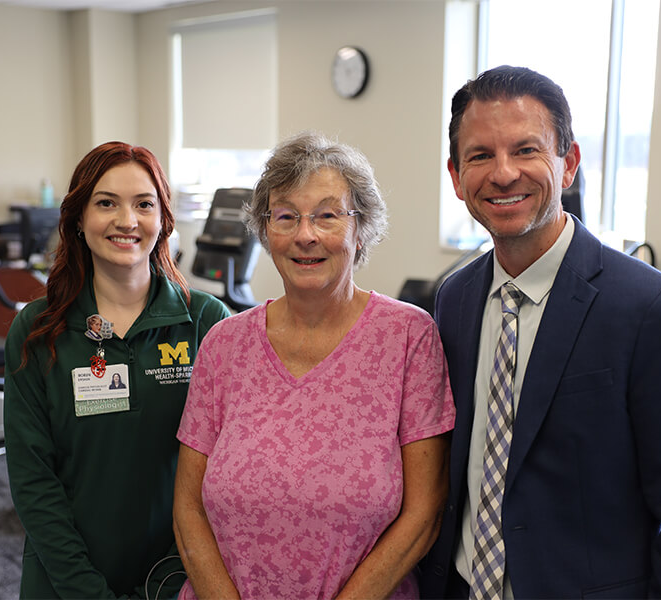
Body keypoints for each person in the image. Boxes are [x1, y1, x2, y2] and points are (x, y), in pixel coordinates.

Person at [418, 66, 661, 599]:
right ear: (456, 176)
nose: (503, 174)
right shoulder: (453, 298)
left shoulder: (654, 309)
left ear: (567, 164)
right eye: (480, 155)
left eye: (526, 150)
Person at [172, 131, 456, 599]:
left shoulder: (408, 338)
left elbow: (424, 514)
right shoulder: (224, 345)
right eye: (286, 216)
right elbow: (188, 509)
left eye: (327, 215)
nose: (306, 234)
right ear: (266, 232)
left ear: (360, 229)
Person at [4, 141, 230, 599]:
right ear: (78, 219)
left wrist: (170, 579)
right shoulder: (37, 328)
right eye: (106, 203)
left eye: (143, 204)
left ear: (164, 220)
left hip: (181, 575)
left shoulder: (207, 323)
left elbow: (223, 474)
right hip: (64, 577)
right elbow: (32, 479)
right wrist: (86, 590)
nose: (127, 221)